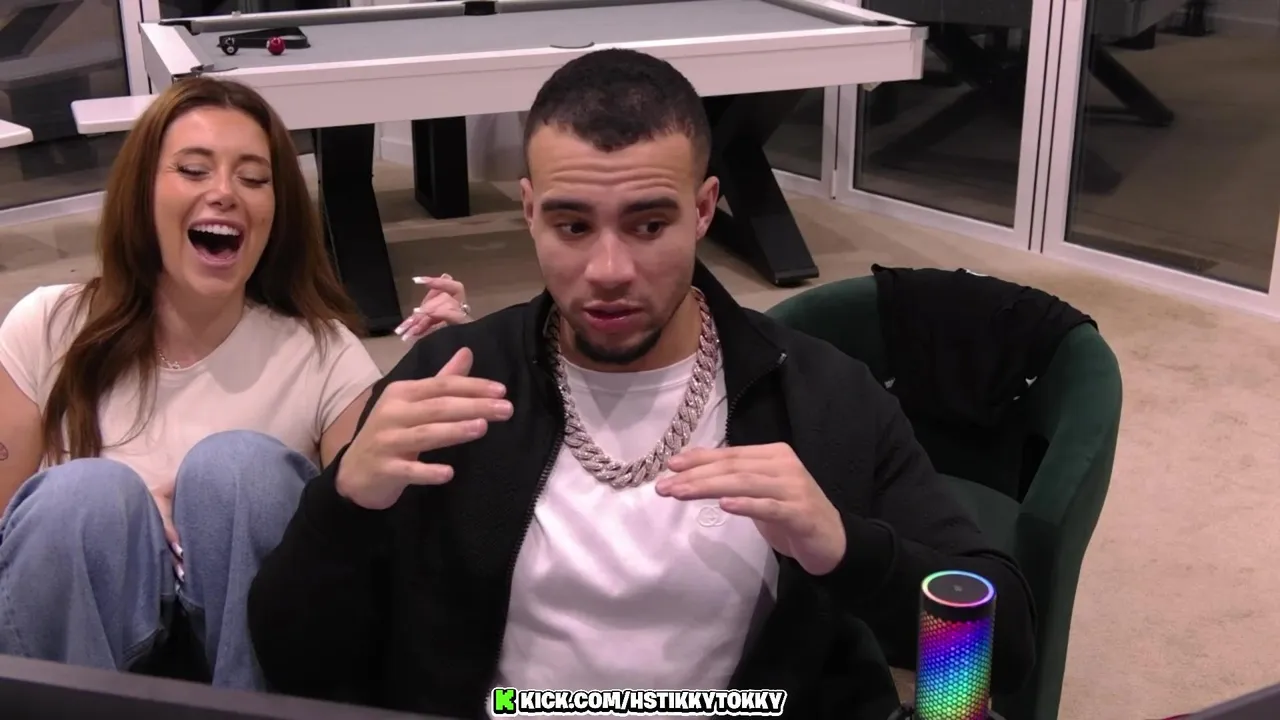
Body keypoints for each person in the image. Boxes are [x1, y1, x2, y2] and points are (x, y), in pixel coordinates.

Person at [247, 49, 1037, 719]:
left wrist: (844, 549)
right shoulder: (449, 383)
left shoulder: (822, 397)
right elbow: (293, 658)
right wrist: (344, 504)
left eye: (650, 225)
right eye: (573, 225)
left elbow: (999, 655)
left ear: (705, 210)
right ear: (529, 212)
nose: (609, 270)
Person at [0, 77, 467, 690]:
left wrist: (450, 367)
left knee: (239, 469)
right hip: (80, 656)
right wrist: (126, 520)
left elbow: (379, 537)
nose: (223, 193)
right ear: (142, 193)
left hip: (258, 657)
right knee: (83, 498)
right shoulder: (47, 324)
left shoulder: (324, 354)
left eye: (253, 178)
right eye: (193, 170)